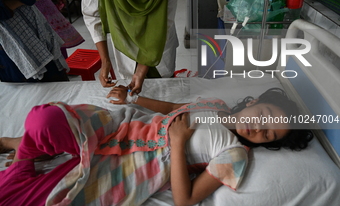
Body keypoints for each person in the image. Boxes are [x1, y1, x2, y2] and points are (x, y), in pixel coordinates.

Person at [0, 87, 313, 205]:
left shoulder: (235, 154)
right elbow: (172, 106)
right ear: (255, 101)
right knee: (45, 120)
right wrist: (133, 99)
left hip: (126, 169)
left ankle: (22, 152)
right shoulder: (215, 104)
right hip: (120, 130)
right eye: (265, 116)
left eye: (268, 135)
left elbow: (185, 199)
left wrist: (177, 145)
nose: (258, 127)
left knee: (26, 198)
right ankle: (21, 145)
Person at [82, 0, 181, 95]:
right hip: (124, 38)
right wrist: (105, 61)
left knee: (163, 90)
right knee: (131, 93)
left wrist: (141, 70)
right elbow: (92, 12)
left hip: (158, 40)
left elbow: (164, 23)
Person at [0, 0, 69, 82]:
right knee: (28, 97)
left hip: (38, 34)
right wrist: (21, 0)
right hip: (9, 48)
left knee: (59, 92)